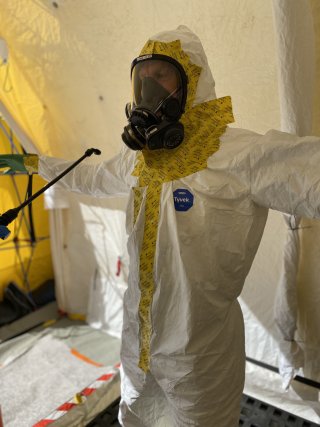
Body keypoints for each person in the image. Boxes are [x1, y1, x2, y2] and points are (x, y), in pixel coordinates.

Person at [1, 25, 320, 427]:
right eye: (142, 78)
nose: (149, 87)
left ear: (192, 83)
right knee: (135, 417)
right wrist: (34, 164)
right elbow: (92, 179)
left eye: (161, 76)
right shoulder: (138, 160)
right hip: (138, 346)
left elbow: (308, 173)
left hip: (198, 355)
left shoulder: (238, 155)